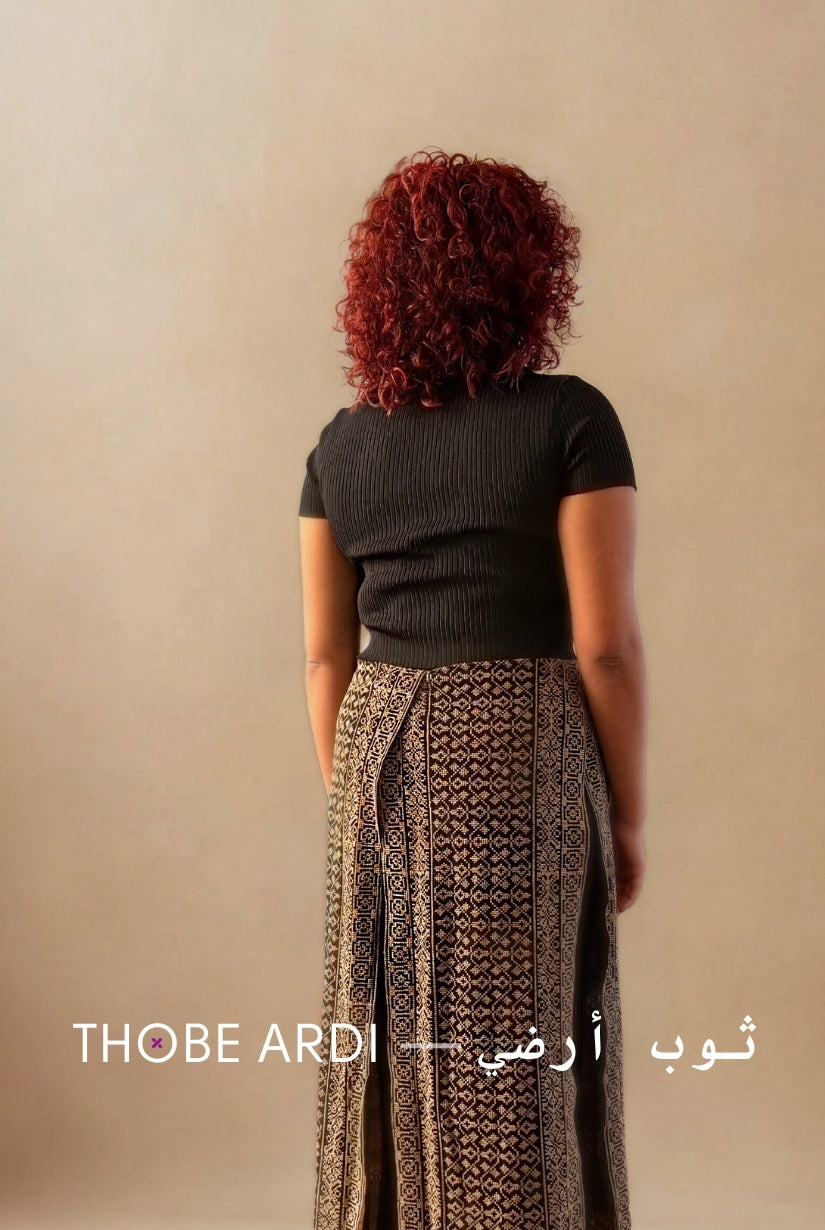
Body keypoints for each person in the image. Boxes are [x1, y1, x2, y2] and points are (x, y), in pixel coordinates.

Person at [298, 148, 646, 1230]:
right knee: (518, 1046)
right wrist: (625, 818)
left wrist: (358, 805)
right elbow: (604, 646)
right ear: (533, 276)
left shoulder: (341, 446)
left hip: (374, 745)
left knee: (381, 1039)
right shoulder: (571, 421)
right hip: (516, 744)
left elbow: (324, 657)